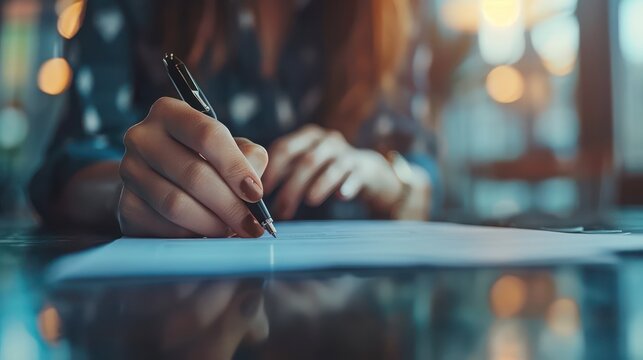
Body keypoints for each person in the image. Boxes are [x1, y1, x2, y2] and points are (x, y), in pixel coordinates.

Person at [30, 0, 438, 237]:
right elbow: (67, 169)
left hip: (351, 319)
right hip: (165, 318)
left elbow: (425, 171)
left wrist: (388, 179)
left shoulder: (393, 14)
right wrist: (127, 191)